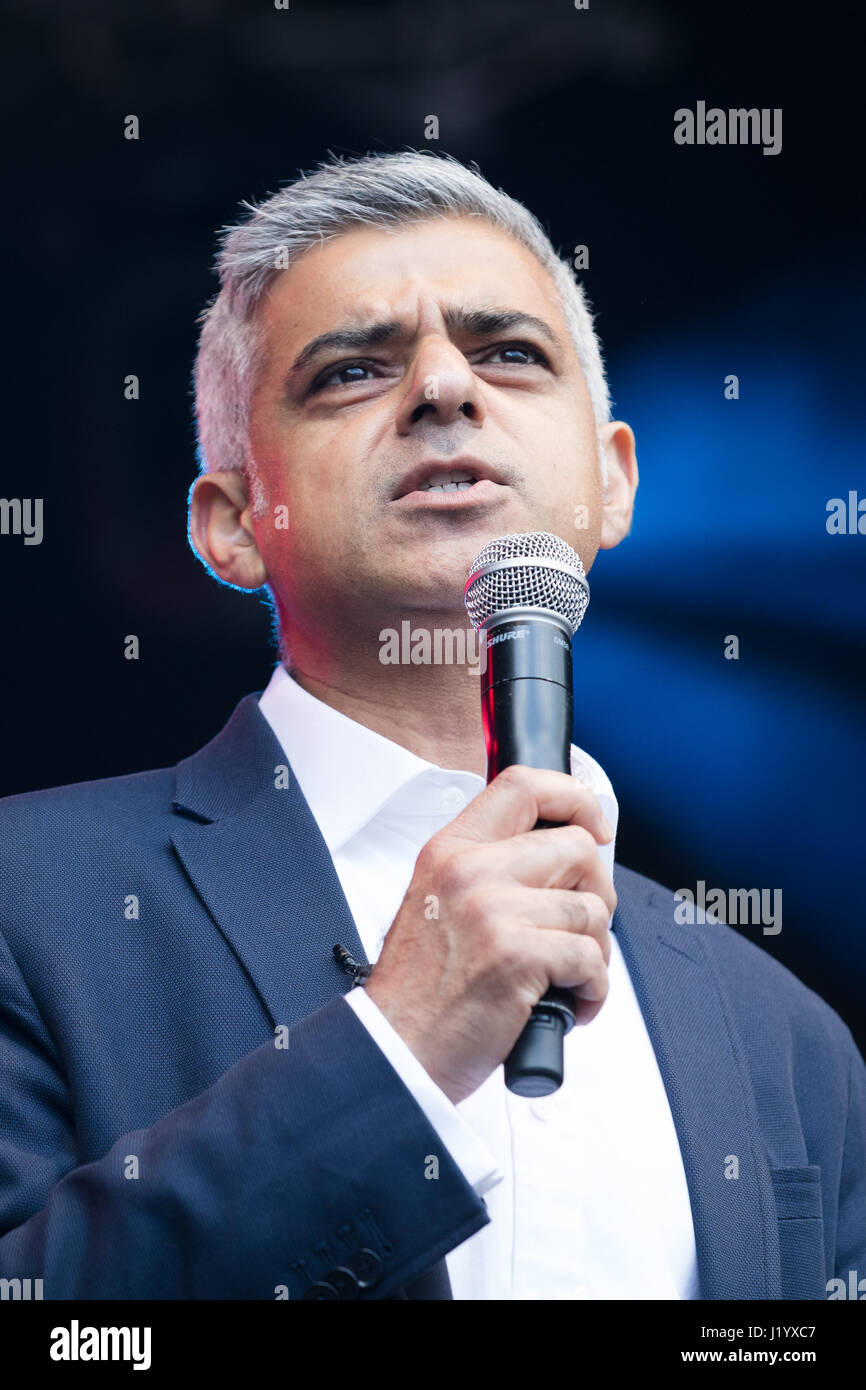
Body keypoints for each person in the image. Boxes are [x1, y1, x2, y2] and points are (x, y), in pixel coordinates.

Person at [0, 151, 862, 1301]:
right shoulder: (28, 900)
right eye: (352, 370)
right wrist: (395, 1050)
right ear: (231, 523)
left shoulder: (784, 1036)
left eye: (509, 353)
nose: (446, 387)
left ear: (612, 482)